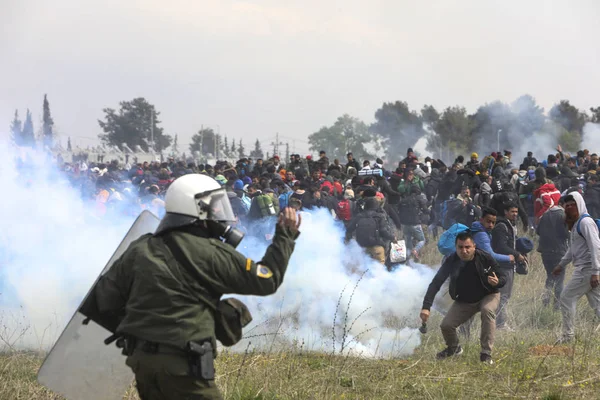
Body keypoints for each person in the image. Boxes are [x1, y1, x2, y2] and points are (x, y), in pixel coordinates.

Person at [92, 174, 301, 400]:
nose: (221, 214)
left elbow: (103, 301)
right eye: (216, 207)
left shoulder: (141, 248)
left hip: (142, 363)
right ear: (198, 210)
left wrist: (140, 331)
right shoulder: (210, 252)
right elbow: (267, 279)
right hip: (184, 365)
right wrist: (285, 236)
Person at [420, 231, 506, 364]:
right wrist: (426, 307)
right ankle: (454, 349)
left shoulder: (484, 257)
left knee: (487, 310)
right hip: (465, 300)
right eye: (460, 247)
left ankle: (485, 354)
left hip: (489, 295)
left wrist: (498, 282)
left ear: (474, 247)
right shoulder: (451, 260)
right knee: (446, 326)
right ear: (456, 247)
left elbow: (502, 276)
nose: (464, 251)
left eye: (467, 247)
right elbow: (436, 283)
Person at [552, 192, 600, 343]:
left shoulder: (585, 222)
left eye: (572, 204)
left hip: (587, 270)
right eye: (567, 205)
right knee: (597, 305)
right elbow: (572, 249)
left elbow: (595, 247)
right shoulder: (576, 224)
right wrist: (561, 265)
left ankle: (568, 336)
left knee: (566, 298)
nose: (569, 208)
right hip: (588, 270)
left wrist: (596, 272)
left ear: (579, 204)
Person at [491, 202, 524, 331]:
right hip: (503, 265)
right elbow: (500, 246)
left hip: (509, 264)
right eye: (512, 212)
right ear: (505, 212)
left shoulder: (510, 225)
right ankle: (500, 324)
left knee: (505, 295)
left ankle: (499, 322)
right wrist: (516, 255)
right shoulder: (502, 226)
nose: (515, 214)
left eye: (516, 212)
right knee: (503, 295)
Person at [536, 200, 569, 309]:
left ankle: (545, 304)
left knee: (550, 277)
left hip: (546, 253)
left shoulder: (545, 214)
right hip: (559, 252)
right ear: (563, 204)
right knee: (559, 280)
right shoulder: (563, 215)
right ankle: (557, 307)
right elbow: (566, 234)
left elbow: (538, 231)